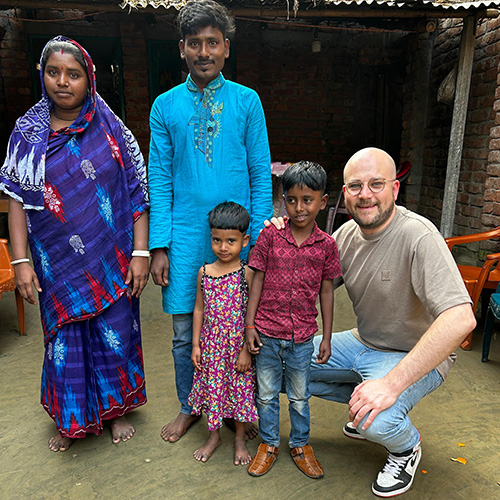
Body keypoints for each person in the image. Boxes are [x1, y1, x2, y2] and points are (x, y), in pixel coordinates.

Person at [270, 148, 474, 496]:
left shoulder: (419, 236)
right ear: (344, 194)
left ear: (394, 189)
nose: (365, 194)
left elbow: (460, 319)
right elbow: (300, 281)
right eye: (355, 186)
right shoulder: (345, 236)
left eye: (376, 184)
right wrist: (281, 239)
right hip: (364, 341)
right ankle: (363, 401)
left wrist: (391, 385)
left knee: (378, 420)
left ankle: (405, 446)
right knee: (273, 365)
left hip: (411, 355)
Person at [0, 36, 150, 452]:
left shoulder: (111, 127)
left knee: (113, 331)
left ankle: (115, 411)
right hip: (55, 261)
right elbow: (16, 200)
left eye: (73, 74)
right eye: (53, 72)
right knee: (64, 341)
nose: (62, 82)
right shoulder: (26, 134)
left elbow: (136, 192)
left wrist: (140, 252)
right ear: (42, 75)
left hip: (110, 256)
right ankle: (72, 419)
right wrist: (20, 261)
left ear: (90, 79)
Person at [148, 0, 272, 443]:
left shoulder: (246, 101)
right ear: (181, 48)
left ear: (226, 48)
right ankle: (191, 406)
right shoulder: (164, 107)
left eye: (213, 43)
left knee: (243, 327)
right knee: (186, 332)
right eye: (195, 43)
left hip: (240, 238)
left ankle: (243, 411)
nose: (204, 51)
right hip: (184, 238)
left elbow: (261, 172)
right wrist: (158, 245)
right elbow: (159, 179)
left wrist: (258, 239)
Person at [245, 161, 341, 479]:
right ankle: (269, 443)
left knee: (300, 395)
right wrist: (249, 326)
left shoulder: (327, 247)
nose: (299, 208)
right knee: (267, 393)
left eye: (307, 199)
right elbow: (256, 280)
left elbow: (327, 292)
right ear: (283, 200)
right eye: (291, 200)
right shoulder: (270, 236)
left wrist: (326, 337)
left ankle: (300, 444)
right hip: (267, 334)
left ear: (323, 201)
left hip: (302, 337)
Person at [187, 201, 258, 465]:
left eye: (231, 240)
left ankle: (239, 438)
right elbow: (198, 310)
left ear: (245, 240)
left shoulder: (247, 273)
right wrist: (196, 345)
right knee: (212, 391)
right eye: (217, 240)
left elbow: (253, 314)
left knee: (239, 392)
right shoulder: (204, 272)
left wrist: (245, 351)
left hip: (237, 348)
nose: (223, 247)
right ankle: (214, 436)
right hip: (211, 348)